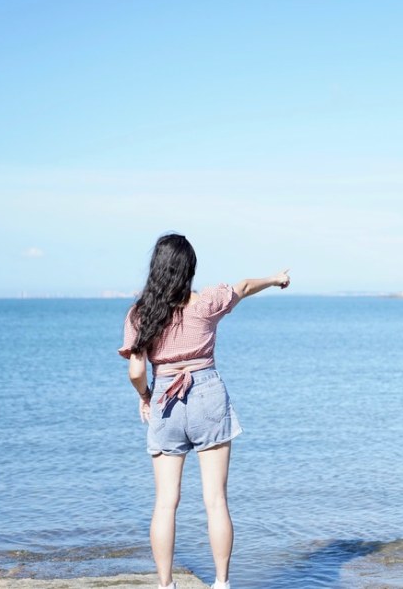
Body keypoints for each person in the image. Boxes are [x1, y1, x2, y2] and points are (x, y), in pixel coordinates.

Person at [119, 233, 290, 589]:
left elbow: (136, 371)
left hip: (166, 398)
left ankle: (166, 585)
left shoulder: (140, 314)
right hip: (207, 393)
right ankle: (222, 583)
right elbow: (243, 285)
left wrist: (147, 396)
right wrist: (274, 279)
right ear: (189, 269)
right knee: (215, 500)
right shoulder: (206, 303)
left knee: (166, 503)